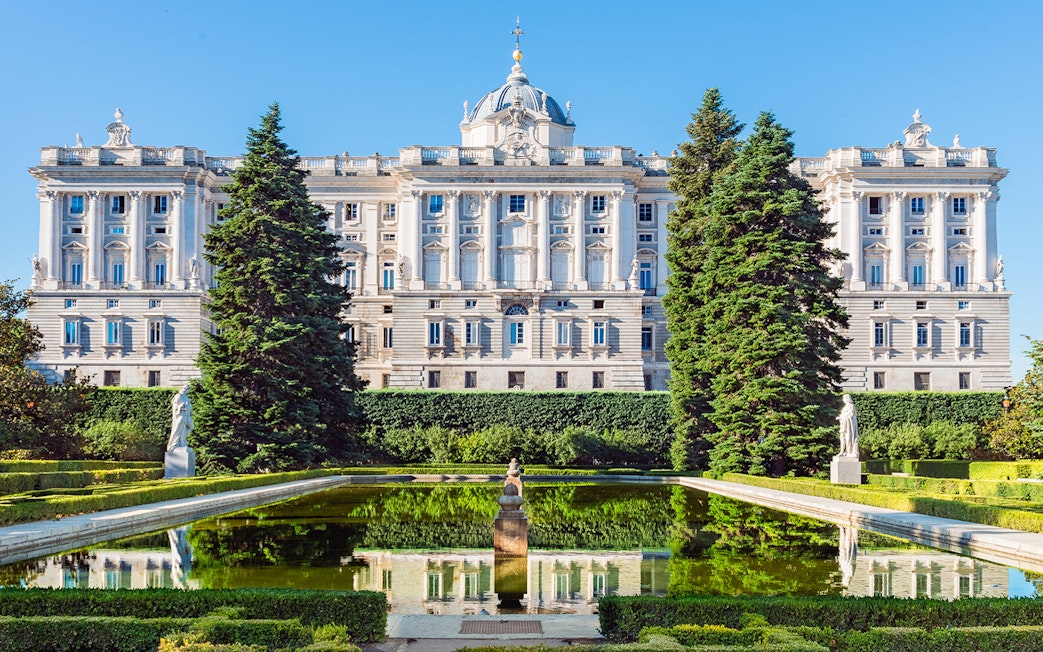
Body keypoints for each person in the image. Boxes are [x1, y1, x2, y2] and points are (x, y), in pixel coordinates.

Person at [167, 384, 193, 451]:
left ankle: (182, 441)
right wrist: (180, 406)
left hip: (187, 415)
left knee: (190, 427)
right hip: (180, 415)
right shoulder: (178, 396)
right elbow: (175, 406)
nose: (185, 389)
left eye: (187, 388)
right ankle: (174, 444)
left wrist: (189, 411)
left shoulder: (186, 397)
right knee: (178, 430)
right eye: (184, 388)